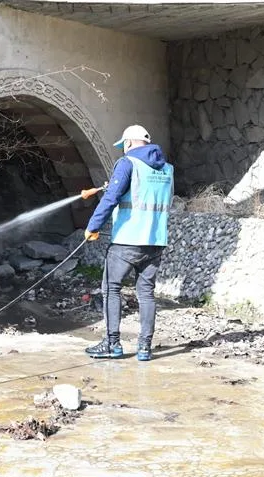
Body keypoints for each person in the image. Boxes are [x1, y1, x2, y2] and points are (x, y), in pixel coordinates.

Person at [82, 124, 174, 362]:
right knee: (146, 293)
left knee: (111, 288)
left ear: (129, 143)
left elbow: (112, 198)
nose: (123, 150)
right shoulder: (167, 169)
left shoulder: (127, 164)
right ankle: (145, 348)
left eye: (123, 146)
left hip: (127, 241)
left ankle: (112, 344)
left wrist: (92, 226)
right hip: (155, 241)